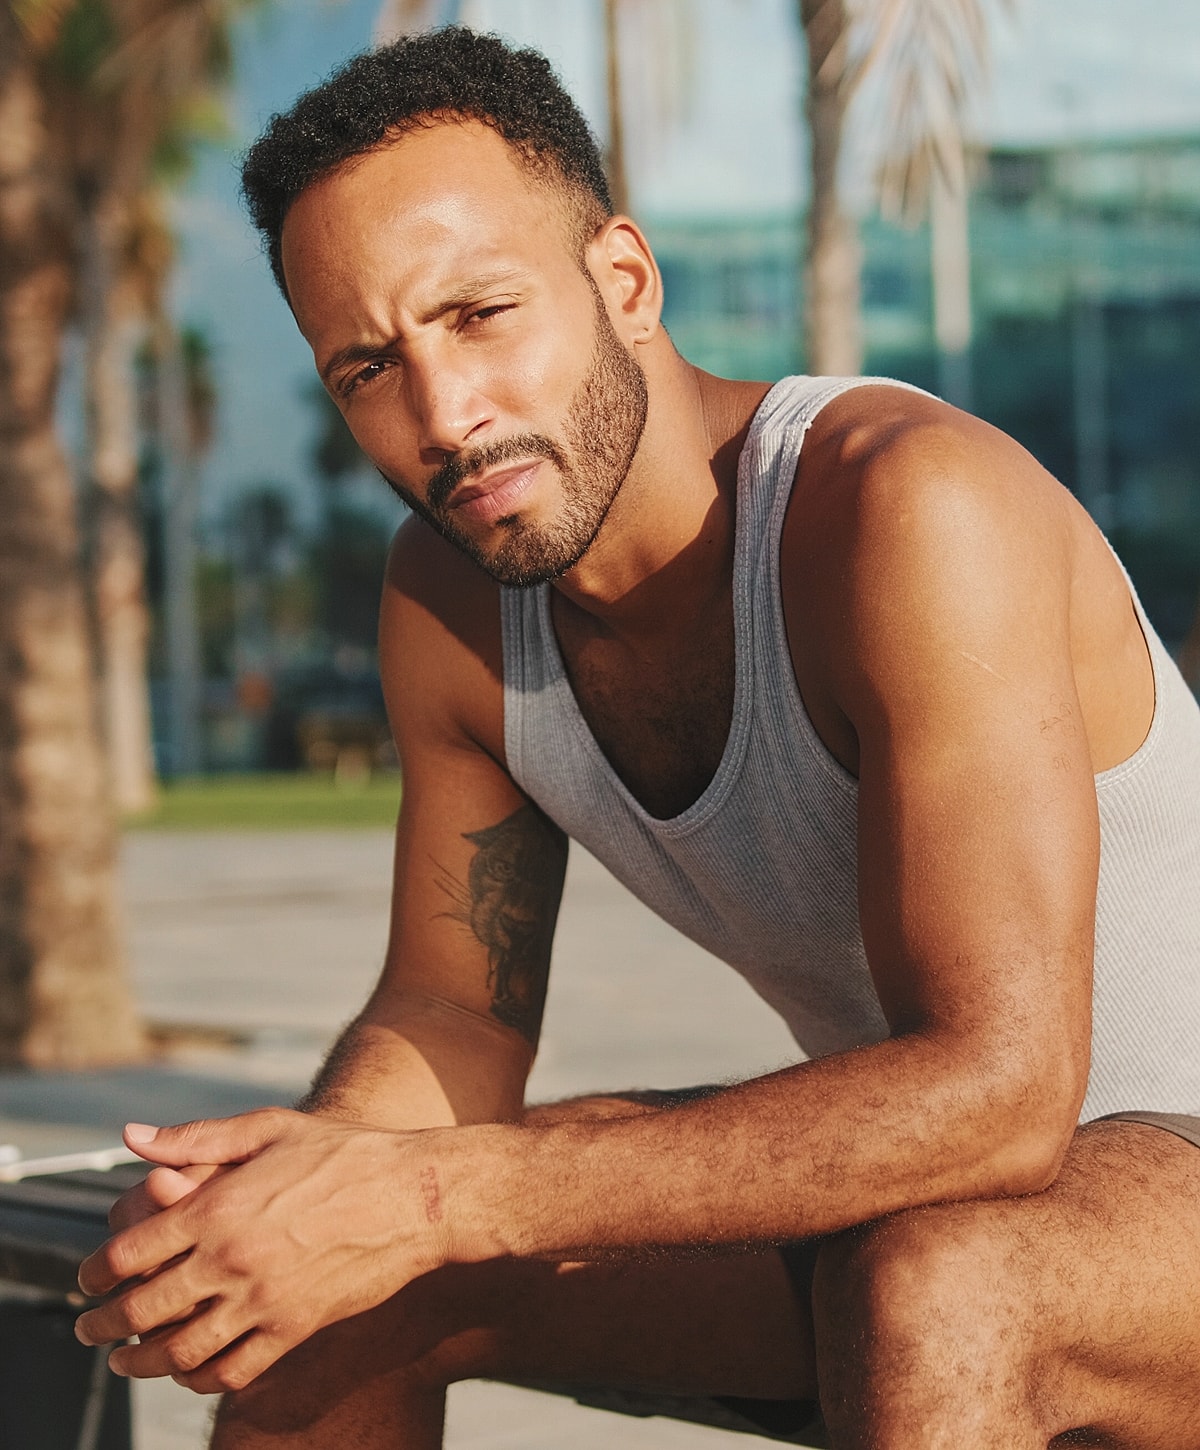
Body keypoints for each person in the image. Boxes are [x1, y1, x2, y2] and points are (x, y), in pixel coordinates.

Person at [76, 27, 1200, 1449]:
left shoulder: (908, 510)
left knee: (947, 1283)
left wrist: (431, 1194)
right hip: (929, 1198)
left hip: (1122, 1188)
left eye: (481, 313)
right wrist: (307, 1190)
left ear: (624, 280)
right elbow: (453, 1015)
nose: (446, 415)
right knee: (338, 1285)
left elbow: (1002, 1093)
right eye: (366, 368)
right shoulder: (451, 604)